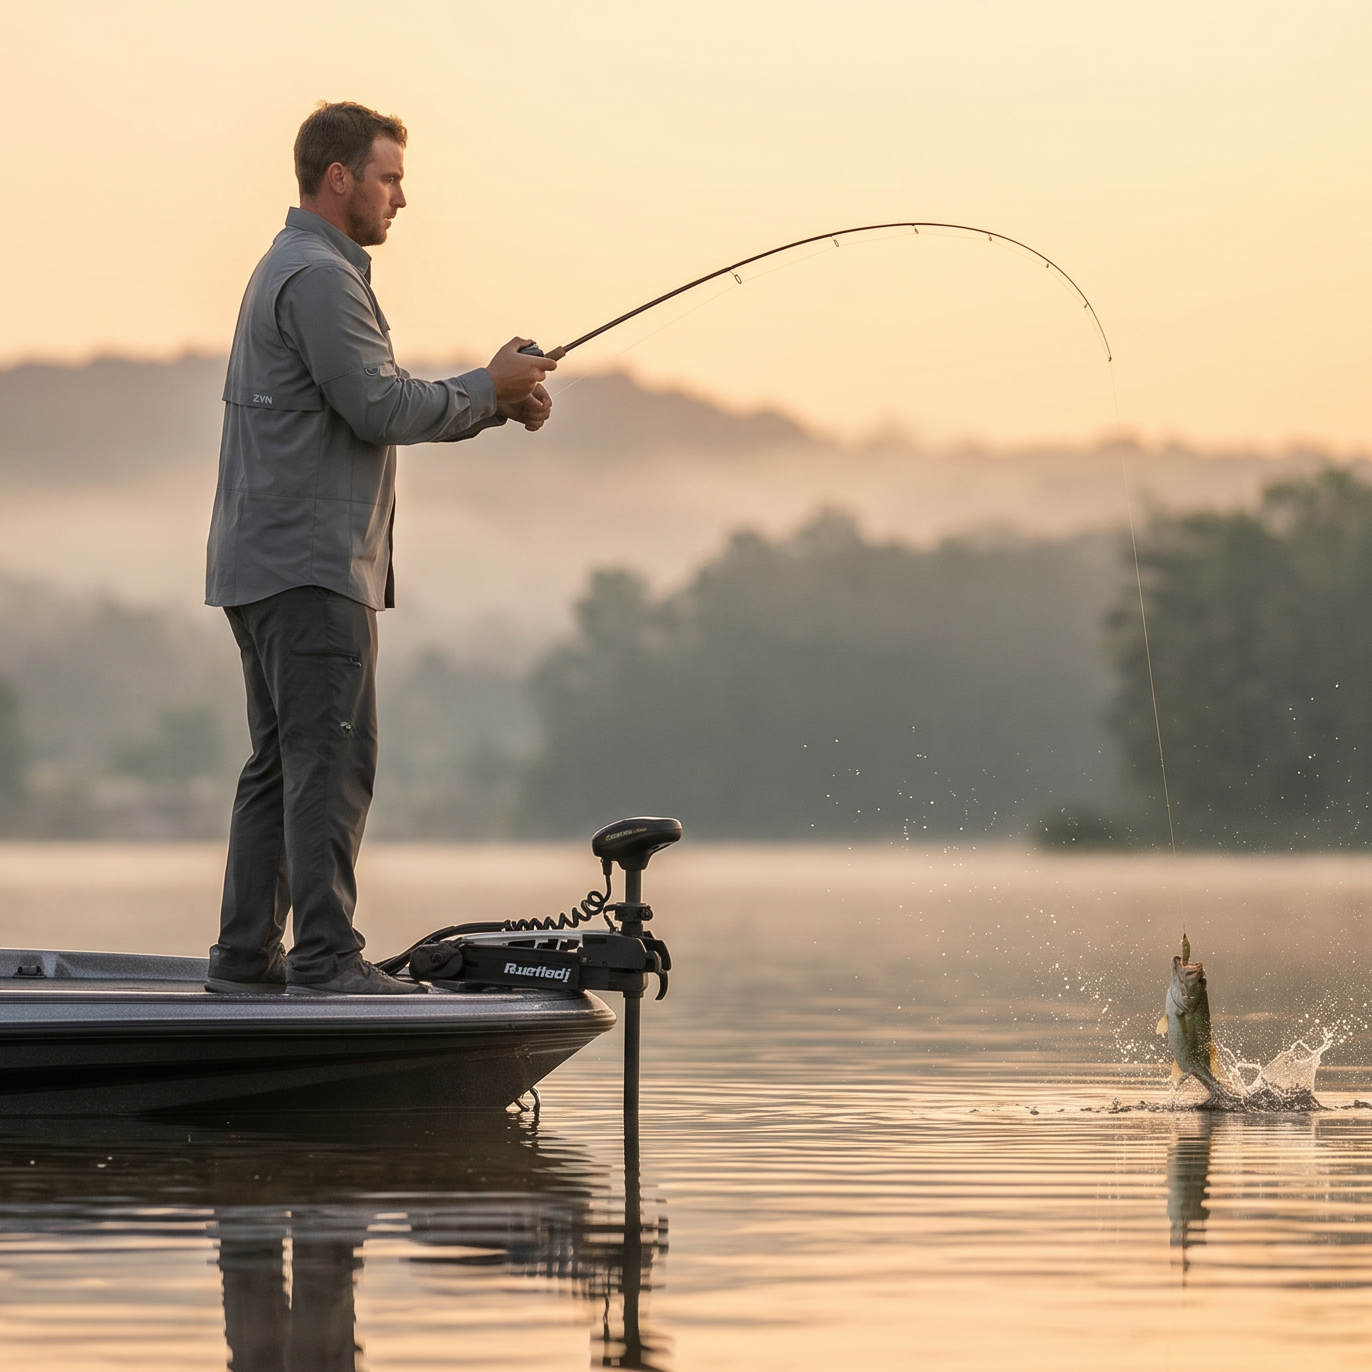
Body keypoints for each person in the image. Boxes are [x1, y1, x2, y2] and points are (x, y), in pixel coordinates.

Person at [204, 102, 555, 995]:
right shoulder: (320, 276)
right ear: (339, 179)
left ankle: (246, 963)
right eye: (389, 177)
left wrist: (497, 397)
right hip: (313, 567)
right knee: (330, 761)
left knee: (281, 764)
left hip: (264, 564)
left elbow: (372, 400)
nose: (402, 197)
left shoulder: (288, 266)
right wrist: (487, 387)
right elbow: (379, 406)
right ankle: (325, 962)